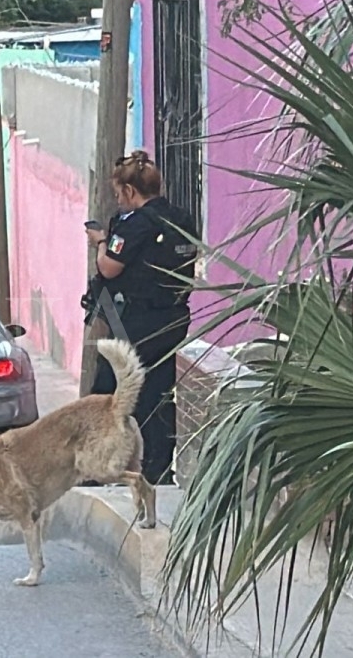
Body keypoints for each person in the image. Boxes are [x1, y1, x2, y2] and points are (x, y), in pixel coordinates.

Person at [83, 150, 198, 486]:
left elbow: (109, 268)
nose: (118, 201)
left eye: (119, 194)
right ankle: (158, 470)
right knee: (159, 393)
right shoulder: (182, 218)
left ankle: (95, 468)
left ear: (131, 191)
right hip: (173, 318)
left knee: (107, 392)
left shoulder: (135, 225)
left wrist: (101, 242)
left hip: (134, 321)